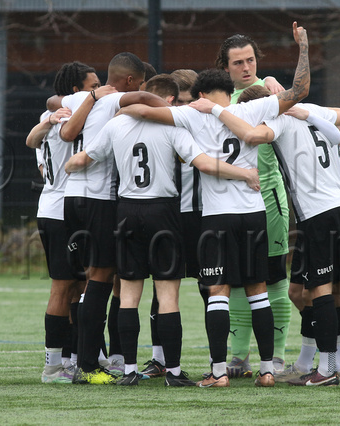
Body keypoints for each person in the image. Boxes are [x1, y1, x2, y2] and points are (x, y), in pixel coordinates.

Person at [117, 21, 311, 388]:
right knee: (259, 290)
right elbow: (300, 89)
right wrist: (303, 47)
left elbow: (144, 111)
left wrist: (116, 104)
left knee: (218, 293)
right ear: (228, 83)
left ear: (203, 93)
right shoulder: (256, 109)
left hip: (217, 217)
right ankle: (269, 368)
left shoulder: (192, 115)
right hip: (254, 213)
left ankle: (219, 372)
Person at [200, 84, 340, 387]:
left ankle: (327, 370)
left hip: (316, 214)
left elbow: (250, 135)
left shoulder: (279, 120)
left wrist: (215, 110)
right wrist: (310, 111)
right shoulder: (311, 113)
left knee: (321, 289)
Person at [65, 73, 261, 387]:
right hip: (164, 213)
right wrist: (245, 174)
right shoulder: (173, 127)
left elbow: (81, 159)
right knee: (168, 294)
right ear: (167, 101)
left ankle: (129, 371)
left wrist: (69, 168)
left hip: (126, 210)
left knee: (128, 294)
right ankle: (172, 372)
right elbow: (206, 164)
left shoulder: (115, 125)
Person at [59, 52, 169, 385]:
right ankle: (90, 366)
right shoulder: (114, 98)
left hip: (71, 196)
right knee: (101, 279)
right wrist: (168, 108)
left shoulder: (83, 97)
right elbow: (141, 98)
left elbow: (56, 105)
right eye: (142, 84)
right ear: (131, 81)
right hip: (98, 199)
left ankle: (81, 358)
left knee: (88, 280)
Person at [215, 33, 291, 377]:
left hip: (269, 198)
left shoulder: (271, 92)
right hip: (230, 204)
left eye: (251, 60)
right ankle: (239, 357)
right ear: (225, 67)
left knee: (273, 279)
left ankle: (276, 356)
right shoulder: (217, 98)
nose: (246, 68)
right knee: (234, 281)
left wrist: (274, 81)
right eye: (238, 62)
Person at [25, 61, 103, 384]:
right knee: (63, 286)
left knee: (78, 286)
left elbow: (33, 142)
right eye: (93, 85)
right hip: (62, 212)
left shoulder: (49, 117)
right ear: (76, 90)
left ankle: (75, 359)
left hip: (52, 207)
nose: (98, 91)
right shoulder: (72, 116)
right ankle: (53, 366)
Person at [140, 69, 201, 379]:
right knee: (160, 287)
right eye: (178, 102)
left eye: (188, 102)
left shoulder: (200, 123)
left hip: (198, 215)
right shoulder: (158, 124)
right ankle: (159, 358)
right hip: (166, 213)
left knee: (212, 287)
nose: (182, 109)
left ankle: (223, 361)